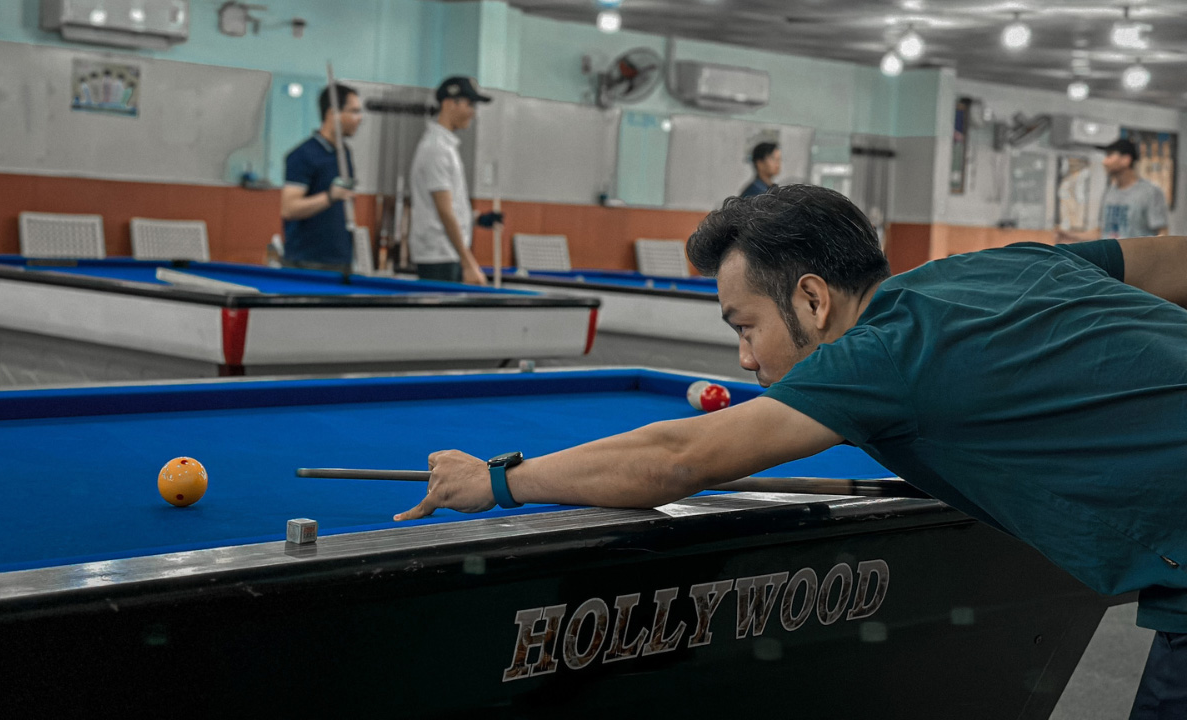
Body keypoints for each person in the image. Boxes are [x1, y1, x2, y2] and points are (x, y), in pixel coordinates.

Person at [399, 184, 1187, 719]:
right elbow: (1168, 259)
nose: (744, 359)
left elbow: (679, 457)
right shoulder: (1000, 266)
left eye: (745, 327)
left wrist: (502, 479)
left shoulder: (877, 355)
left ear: (813, 297)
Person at [408, 76, 502, 284]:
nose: (473, 113)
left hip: (446, 252)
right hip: (439, 254)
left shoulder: (445, 147)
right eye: (470, 105)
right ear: (449, 103)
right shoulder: (436, 149)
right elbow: (444, 211)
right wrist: (469, 263)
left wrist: (477, 218)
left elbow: (449, 207)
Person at [279, 83, 364, 272]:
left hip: (341, 262)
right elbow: (289, 208)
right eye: (354, 111)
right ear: (332, 114)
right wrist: (330, 197)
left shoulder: (344, 154)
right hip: (306, 264)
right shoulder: (303, 155)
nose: (360, 118)